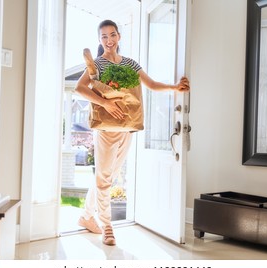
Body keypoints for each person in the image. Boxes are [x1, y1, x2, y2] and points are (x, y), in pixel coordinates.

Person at [74, 19, 190, 246]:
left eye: (112, 35)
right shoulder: (97, 65)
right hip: (107, 127)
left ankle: (86, 216)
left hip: (126, 126)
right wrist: (105, 103)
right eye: (104, 36)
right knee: (105, 178)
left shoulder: (130, 64)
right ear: (100, 40)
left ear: (119, 37)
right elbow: (79, 88)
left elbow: (152, 84)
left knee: (106, 177)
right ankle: (107, 226)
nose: (109, 40)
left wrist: (175, 87)